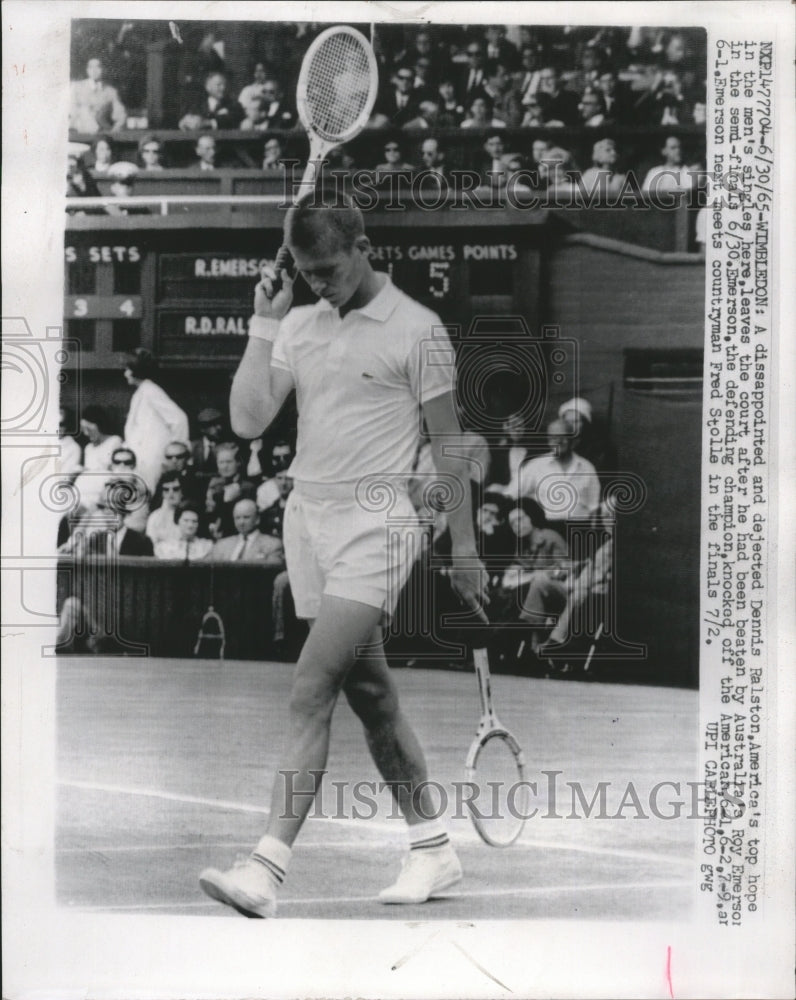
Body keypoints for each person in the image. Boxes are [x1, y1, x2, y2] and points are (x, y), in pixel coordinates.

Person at [198, 191, 487, 918]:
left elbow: (450, 444)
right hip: (309, 518)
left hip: (381, 523)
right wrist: (264, 323)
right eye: (306, 271)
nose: (319, 282)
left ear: (362, 245)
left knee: (311, 686)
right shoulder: (296, 322)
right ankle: (433, 849)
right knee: (371, 696)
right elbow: (248, 418)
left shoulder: (419, 330)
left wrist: (462, 544)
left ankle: (266, 869)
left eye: (327, 268)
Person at [123, 349, 190, 494]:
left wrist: (173, 453)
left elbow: (179, 419)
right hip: (140, 463)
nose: (125, 373)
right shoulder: (141, 392)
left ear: (136, 370)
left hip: (152, 461)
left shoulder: (150, 390)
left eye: (128, 369)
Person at [516, 418, 601, 531]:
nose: (558, 441)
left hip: (579, 530)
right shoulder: (535, 466)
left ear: (574, 441)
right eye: (553, 437)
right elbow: (513, 494)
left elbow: (594, 507)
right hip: (547, 529)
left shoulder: (587, 468)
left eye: (564, 437)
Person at [205, 442, 257, 538]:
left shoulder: (247, 487)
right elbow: (210, 511)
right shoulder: (214, 485)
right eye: (221, 462)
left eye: (229, 462)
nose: (225, 466)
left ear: (238, 463)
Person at [210, 498, 285, 563]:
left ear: (257, 519)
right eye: (237, 518)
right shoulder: (222, 545)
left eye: (246, 517)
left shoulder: (272, 545)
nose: (241, 522)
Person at [69, 57, 127, 133]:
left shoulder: (110, 91)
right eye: (91, 67)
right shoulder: (77, 87)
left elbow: (120, 115)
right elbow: (71, 111)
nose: (94, 70)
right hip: (80, 132)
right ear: (87, 70)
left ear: (104, 69)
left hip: (102, 133)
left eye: (98, 67)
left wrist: (115, 130)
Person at [145, 472, 184, 547]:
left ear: (182, 491)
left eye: (175, 489)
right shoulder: (155, 517)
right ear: (162, 493)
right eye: (166, 489)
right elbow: (151, 544)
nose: (171, 493)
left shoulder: (190, 515)